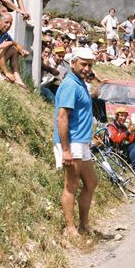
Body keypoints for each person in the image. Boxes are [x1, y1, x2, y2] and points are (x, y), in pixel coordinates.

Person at [53, 47, 98, 238]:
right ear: (73, 64)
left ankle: (84, 225)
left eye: (89, 65)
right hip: (72, 143)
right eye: (83, 64)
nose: (87, 68)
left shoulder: (80, 83)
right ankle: (70, 229)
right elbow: (62, 118)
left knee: (91, 182)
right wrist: (66, 150)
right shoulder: (71, 85)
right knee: (71, 185)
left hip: (82, 141)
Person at [107, 107, 135, 179]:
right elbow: (116, 139)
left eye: (125, 116)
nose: (124, 118)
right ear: (117, 116)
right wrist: (128, 131)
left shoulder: (123, 127)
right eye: (122, 116)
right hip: (114, 153)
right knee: (134, 148)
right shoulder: (111, 126)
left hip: (121, 151)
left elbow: (131, 141)